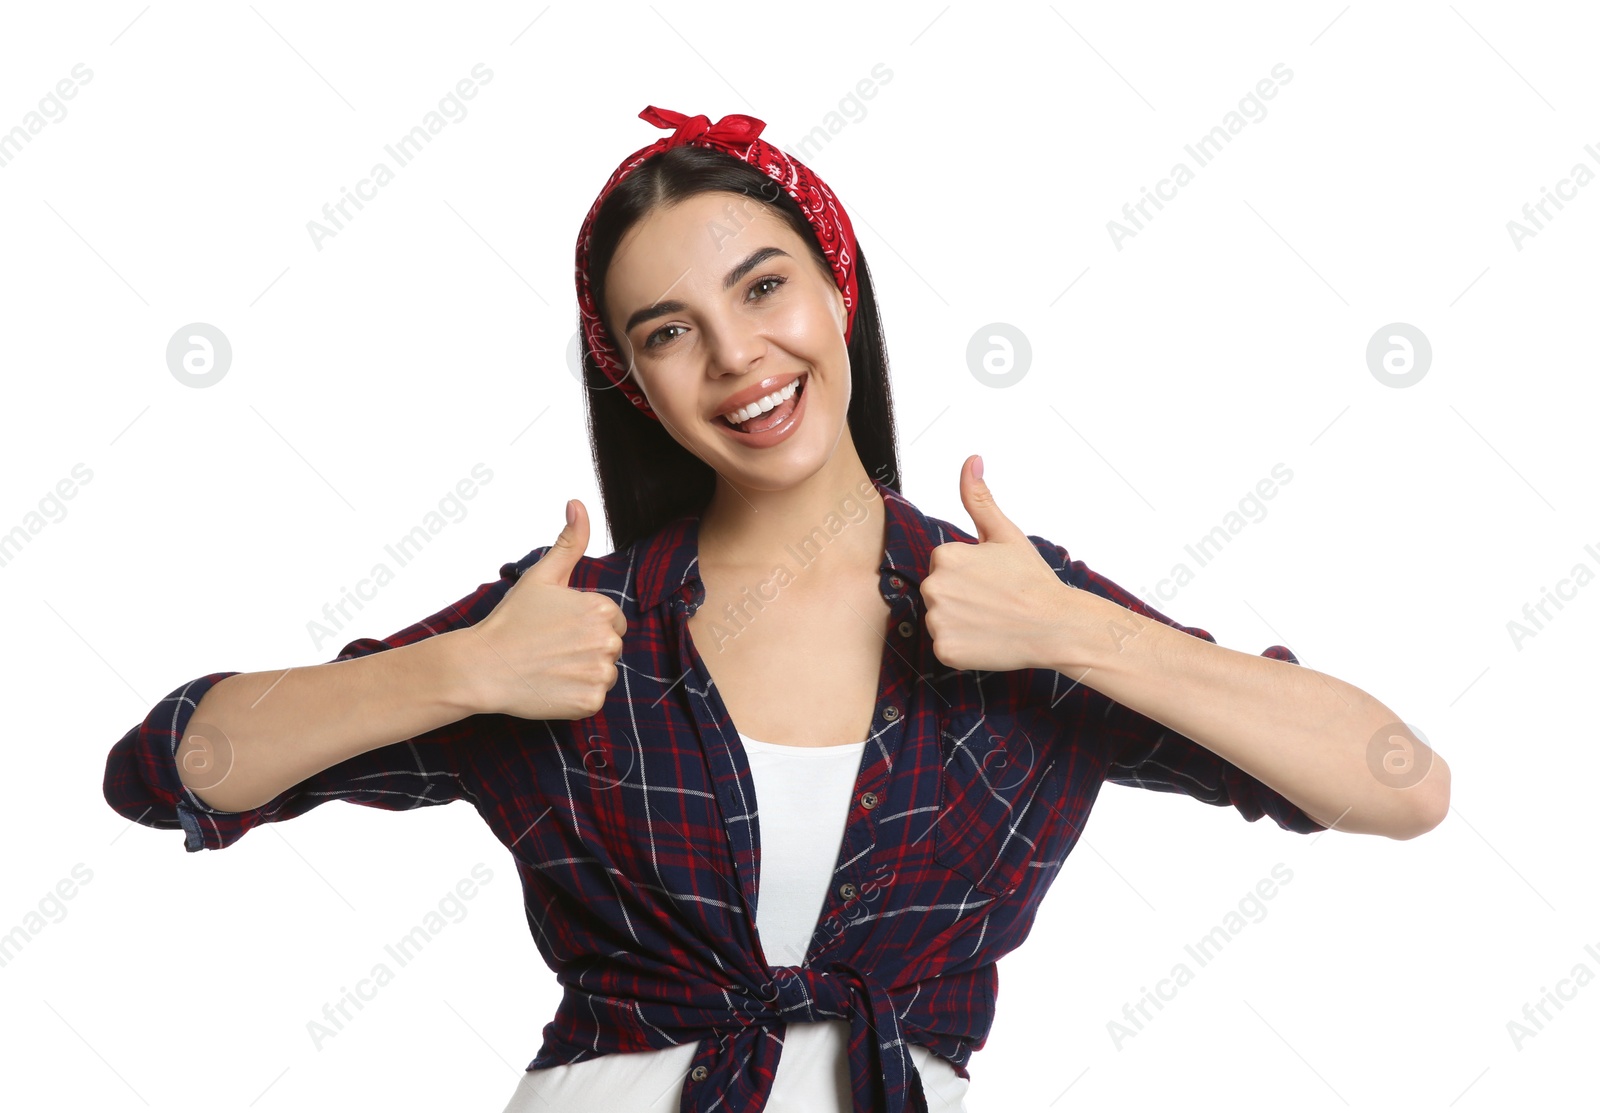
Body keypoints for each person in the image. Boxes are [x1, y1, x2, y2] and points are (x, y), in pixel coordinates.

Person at [102, 105, 1451, 1113]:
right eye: (667, 328)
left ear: (836, 287)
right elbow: (167, 769)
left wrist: (1077, 635)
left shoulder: (1013, 608)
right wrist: (457, 673)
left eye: (761, 286)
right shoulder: (569, 625)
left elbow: (1400, 782)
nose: (738, 354)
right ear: (631, 381)